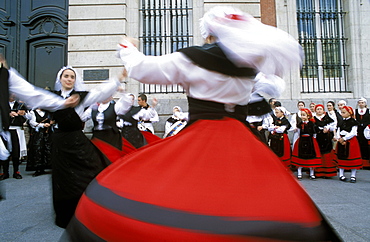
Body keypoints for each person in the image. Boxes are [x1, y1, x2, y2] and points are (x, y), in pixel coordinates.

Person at [64, 7, 340, 241]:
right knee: (252, 195)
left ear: (209, 34)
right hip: (241, 138)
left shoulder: (192, 59)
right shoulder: (249, 67)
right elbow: (272, 87)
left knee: (183, 191)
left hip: (203, 133)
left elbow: (142, 68)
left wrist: (128, 47)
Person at [51, 66, 124, 228]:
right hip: (59, 142)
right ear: (60, 79)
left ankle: (93, 205)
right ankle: (66, 213)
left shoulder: (80, 97)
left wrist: (117, 79)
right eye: (66, 76)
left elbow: (99, 92)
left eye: (72, 77)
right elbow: (32, 95)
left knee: (93, 167)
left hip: (76, 140)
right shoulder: (52, 97)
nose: (69, 79)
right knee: (63, 177)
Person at [81, 95, 135, 162]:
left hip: (111, 137)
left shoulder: (115, 107)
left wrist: (122, 92)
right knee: (98, 159)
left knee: (111, 159)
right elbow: (81, 118)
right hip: (98, 137)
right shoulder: (93, 108)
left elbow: (126, 106)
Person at [0, 95, 28, 179]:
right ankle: (5, 172)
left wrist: (22, 114)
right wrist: (8, 114)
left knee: (16, 152)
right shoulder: (3, 104)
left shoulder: (21, 105)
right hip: (6, 130)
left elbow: (26, 118)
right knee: (6, 151)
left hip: (17, 130)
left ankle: (16, 171)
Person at [334, 106, 362, 183]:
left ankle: (353, 176)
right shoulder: (341, 121)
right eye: (341, 112)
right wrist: (339, 138)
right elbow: (338, 130)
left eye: (344, 112)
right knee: (341, 157)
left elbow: (353, 132)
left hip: (351, 141)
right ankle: (341, 175)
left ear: (349, 113)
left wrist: (345, 138)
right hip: (341, 140)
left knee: (352, 158)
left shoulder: (353, 121)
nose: (342, 114)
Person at [291, 108, 321, 180]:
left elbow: (314, 133)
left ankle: (311, 173)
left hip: (310, 141)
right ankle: (299, 172)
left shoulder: (312, 124)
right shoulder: (300, 124)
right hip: (302, 141)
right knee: (300, 156)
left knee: (311, 157)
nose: (302, 117)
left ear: (308, 116)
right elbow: (298, 133)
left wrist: (314, 141)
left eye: (304, 115)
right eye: (301, 115)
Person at [25, 108, 54, 176]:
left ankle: (48, 166)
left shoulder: (48, 112)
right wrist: (42, 125)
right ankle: (38, 168)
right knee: (38, 149)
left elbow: (53, 120)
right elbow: (32, 122)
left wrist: (51, 123)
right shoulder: (33, 112)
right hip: (38, 134)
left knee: (49, 149)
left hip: (48, 134)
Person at [314, 104, 337, 178]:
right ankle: (318, 171)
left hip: (326, 138)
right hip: (318, 137)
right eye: (318, 109)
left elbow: (333, 125)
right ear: (315, 110)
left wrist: (327, 128)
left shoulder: (327, 118)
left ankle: (327, 172)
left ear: (323, 110)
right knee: (318, 153)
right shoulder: (313, 118)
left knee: (327, 154)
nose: (319, 110)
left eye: (321, 109)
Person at [354, 97, 370, 167]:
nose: (361, 104)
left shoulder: (368, 111)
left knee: (366, 146)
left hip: (366, 130)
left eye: (362, 103)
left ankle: (366, 163)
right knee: (359, 145)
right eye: (359, 103)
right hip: (358, 130)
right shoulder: (355, 111)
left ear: (365, 103)